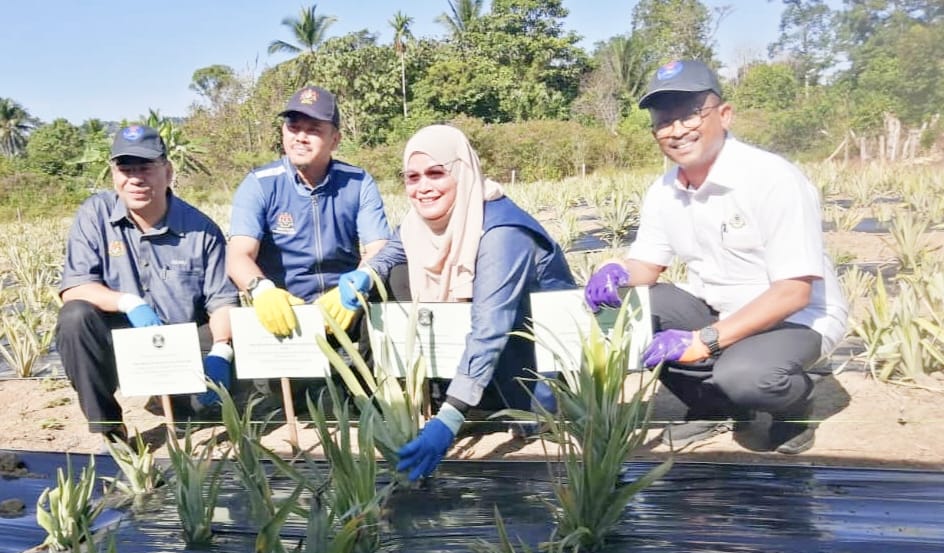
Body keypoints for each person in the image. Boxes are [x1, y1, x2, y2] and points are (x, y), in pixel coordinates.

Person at [584, 60, 848, 455]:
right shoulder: (664, 191)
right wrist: (617, 271)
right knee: (633, 304)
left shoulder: (771, 179)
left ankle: (794, 406)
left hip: (795, 319)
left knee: (745, 375)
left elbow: (793, 292)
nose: (676, 130)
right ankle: (715, 406)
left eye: (690, 114)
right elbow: (648, 267)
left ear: (723, 115)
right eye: (663, 121)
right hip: (719, 311)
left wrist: (703, 341)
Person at [338, 124, 576, 480]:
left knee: (532, 451)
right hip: (485, 365)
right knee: (396, 274)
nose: (423, 188)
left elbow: (490, 329)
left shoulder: (501, 232)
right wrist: (368, 271)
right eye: (412, 177)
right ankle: (459, 398)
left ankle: (474, 406)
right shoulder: (421, 222)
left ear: (463, 172)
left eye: (436, 173)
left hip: (535, 375)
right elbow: (394, 249)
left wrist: (448, 420)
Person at [56, 125, 239, 444]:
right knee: (75, 318)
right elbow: (75, 287)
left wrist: (222, 350)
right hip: (121, 341)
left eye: (145, 167)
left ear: (167, 171)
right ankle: (109, 428)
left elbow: (222, 301)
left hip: (182, 343)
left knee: (199, 408)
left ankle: (176, 401)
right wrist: (130, 303)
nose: (135, 178)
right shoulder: (94, 215)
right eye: (125, 169)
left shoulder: (202, 229)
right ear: (114, 175)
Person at [226, 85, 391, 404]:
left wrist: (356, 289)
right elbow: (238, 255)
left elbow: (379, 247)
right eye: (293, 127)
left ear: (335, 139)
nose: (300, 137)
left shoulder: (358, 182)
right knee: (287, 405)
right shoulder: (260, 183)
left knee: (360, 401)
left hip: (344, 308)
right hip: (287, 310)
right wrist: (262, 290)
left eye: (313, 130)